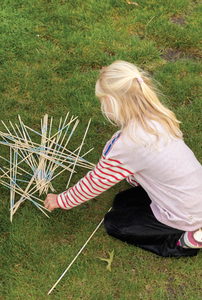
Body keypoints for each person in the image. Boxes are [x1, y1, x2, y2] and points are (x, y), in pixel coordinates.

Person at [44, 60, 202, 257]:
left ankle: (186, 241)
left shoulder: (127, 144)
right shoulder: (159, 116)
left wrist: (61, 200)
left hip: (186, 214)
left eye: (101, 100)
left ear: (111, 101)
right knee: (121, 201)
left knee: (115, 224)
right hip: (193, 194)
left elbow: (95, 182)